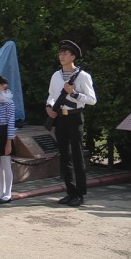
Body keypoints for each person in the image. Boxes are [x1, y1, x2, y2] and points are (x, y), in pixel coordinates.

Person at [46, 40, 97, 207]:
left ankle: (80, 193)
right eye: (60, 53)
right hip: (60, 118)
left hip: (74, 118)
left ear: (73, 56)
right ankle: (70, 190)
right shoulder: (56, 75)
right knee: (64, 156)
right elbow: (52, 95)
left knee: (77, 155)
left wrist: (74, 94)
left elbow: (92, 100)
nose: (61, 56)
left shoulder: (82, 76)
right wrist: (49, 107)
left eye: (65, 54)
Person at [0, 75, 15, 204]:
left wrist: (9, 141)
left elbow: (11, 122)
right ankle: (2, 191)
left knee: (6, 164)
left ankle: (8, 192)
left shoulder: (8, 102)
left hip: (5, 133)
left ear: (4, 86)